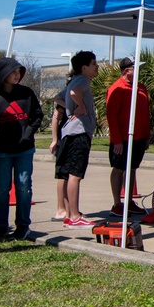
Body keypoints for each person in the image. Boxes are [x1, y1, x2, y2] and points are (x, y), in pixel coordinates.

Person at [0, 57, 43, 240]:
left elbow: (37, 116)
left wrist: (28, 133)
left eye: (19, 72)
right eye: (13, 72)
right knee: (1, 189)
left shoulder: (27, 93)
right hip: (1, 152)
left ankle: (23, 226)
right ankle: (1, 227)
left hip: (25, 150)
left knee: (24, 188)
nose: (17, 75)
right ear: (2, 74)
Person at [105, 58, 150, 217]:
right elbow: (112, 116)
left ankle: (129, 201)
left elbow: (145, 114)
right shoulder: (116, 88)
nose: (139, 71)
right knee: (119, 169)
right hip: (122, 138)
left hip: (139, 137)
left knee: (132, 169)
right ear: (126, 70)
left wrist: (146, 135)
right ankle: (117, 203)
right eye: (135, 68)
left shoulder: (141, 88)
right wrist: (117, 140)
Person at [59, 50, 99, 229]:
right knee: (76, 174)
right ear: (84, 68)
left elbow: (58, 98)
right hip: (79, 133)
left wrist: (70, 108)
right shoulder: (82, 80)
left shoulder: (73, 81)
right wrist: (80, 107)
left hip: (68, 133)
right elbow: (75, 93)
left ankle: (69, 215)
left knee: (69, 175)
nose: (97, 67)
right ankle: (75, 216)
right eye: (93, 63)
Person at [48, 89, 69, 221]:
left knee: (69, 175)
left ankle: (69, 208)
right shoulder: (66, 98)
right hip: (63, 139)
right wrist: (55, 140)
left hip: (72, 139)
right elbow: (56, 117)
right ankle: (60, 209)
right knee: (62, 174)